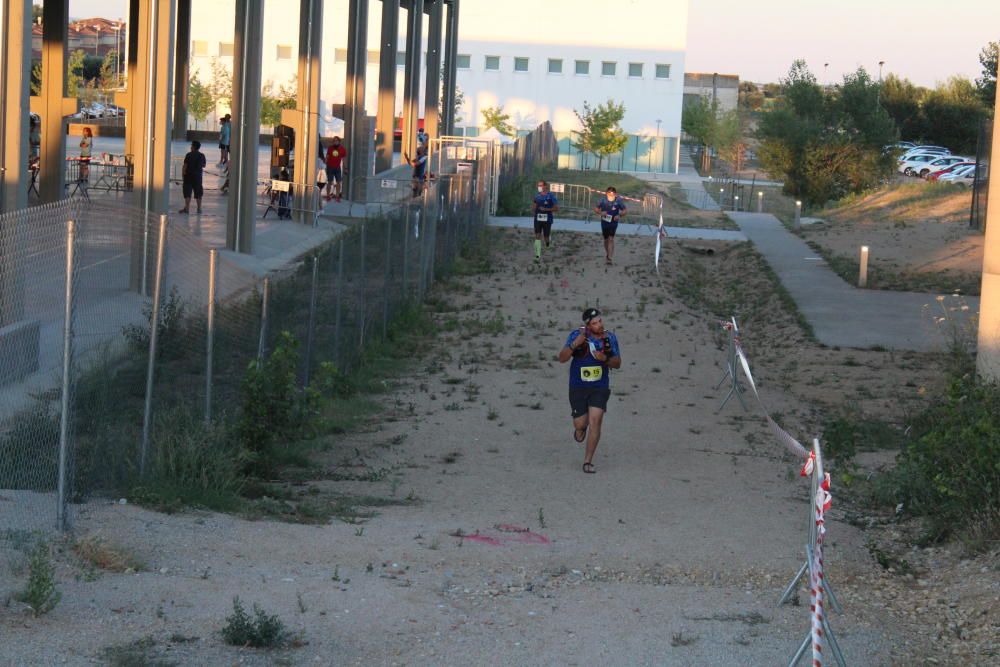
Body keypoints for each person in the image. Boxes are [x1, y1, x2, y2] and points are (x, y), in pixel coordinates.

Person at [557, 308, 622, 474]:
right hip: (578, 386)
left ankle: (588, 461)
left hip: (599, 387)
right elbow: (562, 358)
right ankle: (580, 428)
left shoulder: (609, 338)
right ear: (587, 325)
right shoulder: (576, 336)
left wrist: (605, 359)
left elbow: (617, 363)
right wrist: (575, 344)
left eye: (600, 321)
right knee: (580, 423)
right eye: (594, 323)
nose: (599, 325)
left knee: (596, 421)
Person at [593, 186, 627, 265]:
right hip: (604, 221)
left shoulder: (618, 200)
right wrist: (600, 213)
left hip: (614, 222)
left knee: (611, 239)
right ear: (606, 194)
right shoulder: (602, 200)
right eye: (609, 195)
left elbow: (625, 210)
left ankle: (609, 258)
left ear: (615, 194)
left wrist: (619, 215)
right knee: (606, 240)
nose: (611, 196)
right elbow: (595, 208)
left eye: (612, 195)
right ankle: (608, 253)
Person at [530, 180, 559, 261]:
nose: (539, 187)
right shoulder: (537, 196)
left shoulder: (551, 196)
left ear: (545, 186)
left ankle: (547, 244)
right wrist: (533, 209)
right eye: (538, 185)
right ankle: (537, 254)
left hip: (547, 219)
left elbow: (556, 208)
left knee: (546, 236)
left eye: (541, 185)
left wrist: (546, 209)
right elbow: (534, 205)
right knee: (537, 235)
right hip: (537, 218)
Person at [179, 140, 206, 214]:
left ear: (193, 147)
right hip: (197, 177)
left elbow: (185, 166)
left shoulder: (188, 155)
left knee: (187, 193)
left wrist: (183, 175)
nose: (191, 147)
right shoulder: (202, 155)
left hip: (188, 176)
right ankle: (199, 209)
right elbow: (203, 165)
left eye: (191, 145)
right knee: (198, 193)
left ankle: (187, 209)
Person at [324, 136, 347, 201]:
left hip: (337, 168)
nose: (335, 142)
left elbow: (344, 159)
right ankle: (328, 195)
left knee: (339, 182)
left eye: (336, 140)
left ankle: (337, 196)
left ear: (339, 141)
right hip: (330, 167)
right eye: (334, 141)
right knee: (329, 182)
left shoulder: (342, 149)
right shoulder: (330, 148)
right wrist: (325, 166)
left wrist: (345, 168)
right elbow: (327, 157)